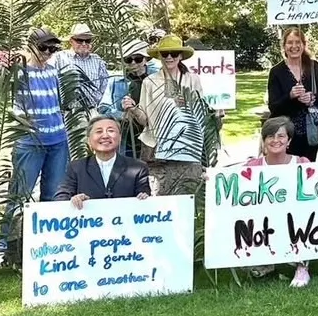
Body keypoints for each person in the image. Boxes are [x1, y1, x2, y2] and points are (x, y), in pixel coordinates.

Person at [0, 28, 71, 253]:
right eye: (44, 47)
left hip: (58, 140)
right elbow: (7, 105)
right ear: (31, 46)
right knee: (20, 193)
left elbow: (59, 102)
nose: (48, 52)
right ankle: (6, 244)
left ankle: (48, 240)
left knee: (53, 193)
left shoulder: (53, 71)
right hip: (30, 142)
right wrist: (22, 119)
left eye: (53, 48)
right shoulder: (17, 73)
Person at [245, 116, 313, 287]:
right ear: (264, 140)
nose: (275, 140)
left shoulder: (302, 163)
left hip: (296, 220)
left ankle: (301, 266)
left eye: (281, 136)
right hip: (265, 220)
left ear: (289, 140)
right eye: (270, 136)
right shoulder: (253, 166)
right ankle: (268, 261)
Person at [139, 34, 206, 195]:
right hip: (157, 148)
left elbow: (201, 113)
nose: (169, 57)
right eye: (165, 54)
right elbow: (143, 118)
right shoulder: (149, 81)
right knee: (159, 194)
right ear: (160, 56)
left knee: (189, 192)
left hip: (187, 146)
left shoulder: (192, 79)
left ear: (181, 56)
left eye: (174, 53)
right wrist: (132, 109)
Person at [55, 115, 151, 207]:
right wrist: (73, 200)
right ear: (89, 140)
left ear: (120, 138)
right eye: (99, 131)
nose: (105, 136)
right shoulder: (76, 168)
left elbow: (145, 199)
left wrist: (143, 198)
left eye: (110, 131)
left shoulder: (138, 168)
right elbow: (61, 198)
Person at [267, 28, 318, 162]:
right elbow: (273, 107)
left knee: (308, 167)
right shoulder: (276, 72)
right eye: (290, 42)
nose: (294, 46)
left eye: (298, 42)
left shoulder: (313, 66)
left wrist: (312, 98)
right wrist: (290, 96)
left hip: (311, 131)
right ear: (284, 46)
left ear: (304, 45)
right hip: (286, 133)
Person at [98, 39, 156, 160]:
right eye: (128, 60)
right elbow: (103, 108)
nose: (133, 63)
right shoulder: (115, 80)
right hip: (126, 138)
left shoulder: (157, 79)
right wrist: (122, 115)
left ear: (146, 59)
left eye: (138, 59)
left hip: (153, 136)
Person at [51, 23, 110, 113]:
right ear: (71, 41)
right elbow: (51, 85)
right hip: (68, 113)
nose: (84, 44)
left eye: (88, 41)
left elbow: (105, 87)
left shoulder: (97, 60)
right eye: (79, 40)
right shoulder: (59, 58)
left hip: (92, 111)